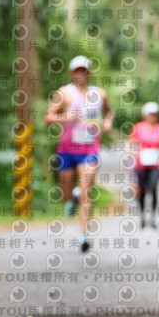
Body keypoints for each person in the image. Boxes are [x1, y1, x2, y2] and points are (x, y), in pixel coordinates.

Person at [44, 55, 114, 252]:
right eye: (77, 70)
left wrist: (108, 122)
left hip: (89, 149)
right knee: (65, 191)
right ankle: (70, 198)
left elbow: (108, 112)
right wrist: (66, 116)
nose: (80, 74)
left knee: (86, 192)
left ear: (89, 73)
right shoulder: (64, 93)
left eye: (84, 70)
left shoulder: (99, 94)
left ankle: (85, 235)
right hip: (67, 149)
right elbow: (48, 117)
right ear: (70, 73)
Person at [129, 101, 159, 228]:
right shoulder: (138, 127)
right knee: (143, 191)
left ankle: (153, 217)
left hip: (156, 164)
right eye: (150, 114)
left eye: (155, 114)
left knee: (154, 188)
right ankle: (142, 216)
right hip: (141, 164)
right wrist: (134, 153)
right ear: (145, 115)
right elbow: (132, 144)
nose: (152, 116)